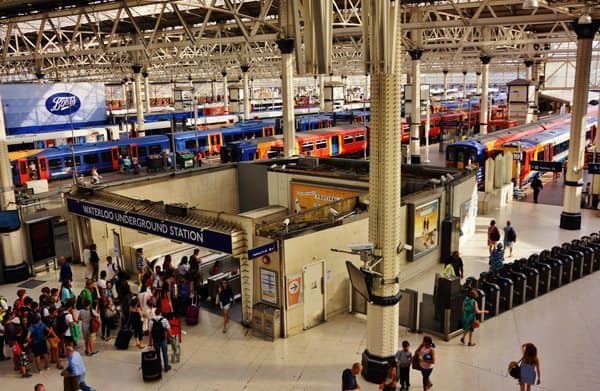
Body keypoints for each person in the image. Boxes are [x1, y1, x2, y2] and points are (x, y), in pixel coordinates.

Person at [149, 308, 172, 372]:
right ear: (160, 313)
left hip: (155, 340)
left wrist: (150, 342)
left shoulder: (151, 321)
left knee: (157, 354)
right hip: (163, 339)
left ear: (155, 313)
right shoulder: (164, 320)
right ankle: (166, 367)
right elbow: (168, 329)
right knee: (165, 353)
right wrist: (171, 337)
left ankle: (158, 367)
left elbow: (150, 332)